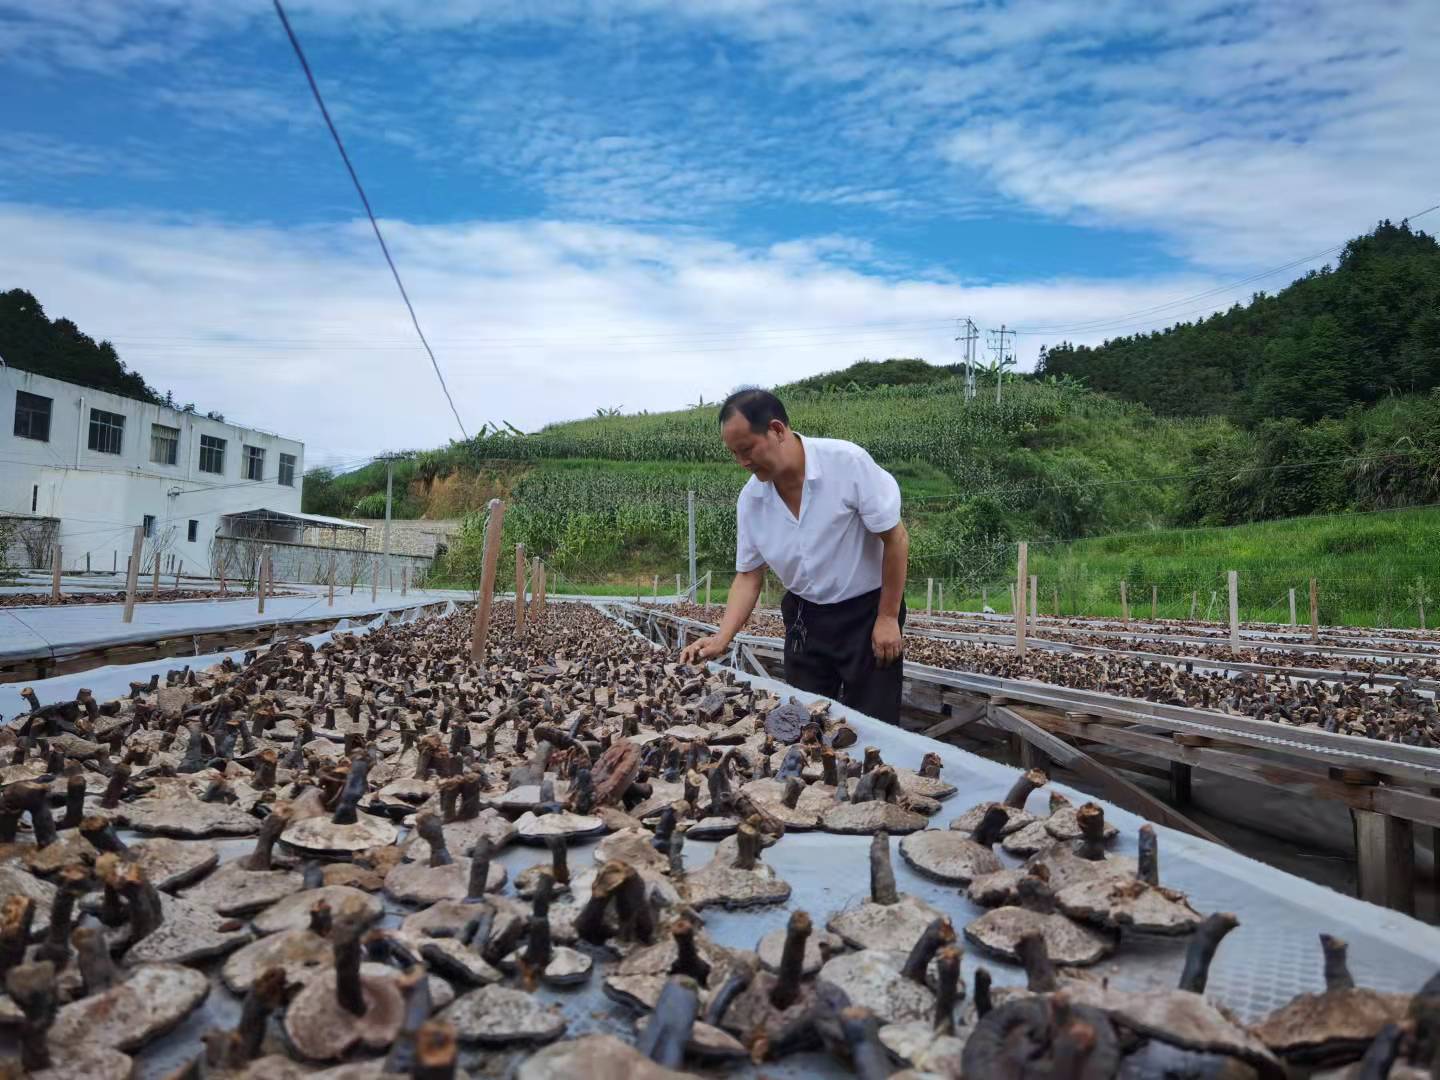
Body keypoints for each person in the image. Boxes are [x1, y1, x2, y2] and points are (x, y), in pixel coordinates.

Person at [679, 388, 909, 724]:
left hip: (866, 614)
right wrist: (722, 637)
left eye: (747, 449)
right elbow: (748, 575)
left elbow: (896, 538)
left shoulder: (846, 463)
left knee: (874, 722)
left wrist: (888, 617)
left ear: (777, 430)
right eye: (734, 454)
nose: (743, 462)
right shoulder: (752, 500)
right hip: (805, 620)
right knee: (804, 720)